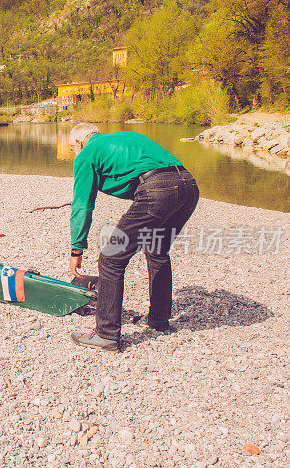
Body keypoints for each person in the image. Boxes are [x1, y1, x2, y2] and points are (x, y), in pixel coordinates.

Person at [67, 123, 199, 352]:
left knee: (110, 259)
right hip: (188, 186)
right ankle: (159, 320)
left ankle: (106, 334)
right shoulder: (124, 138)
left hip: (158, 189)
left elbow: (82, 206)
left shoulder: (87, 153)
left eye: (72, 149)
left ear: (79, 143)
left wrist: (77, 248)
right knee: (157, 251)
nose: (74, 154)